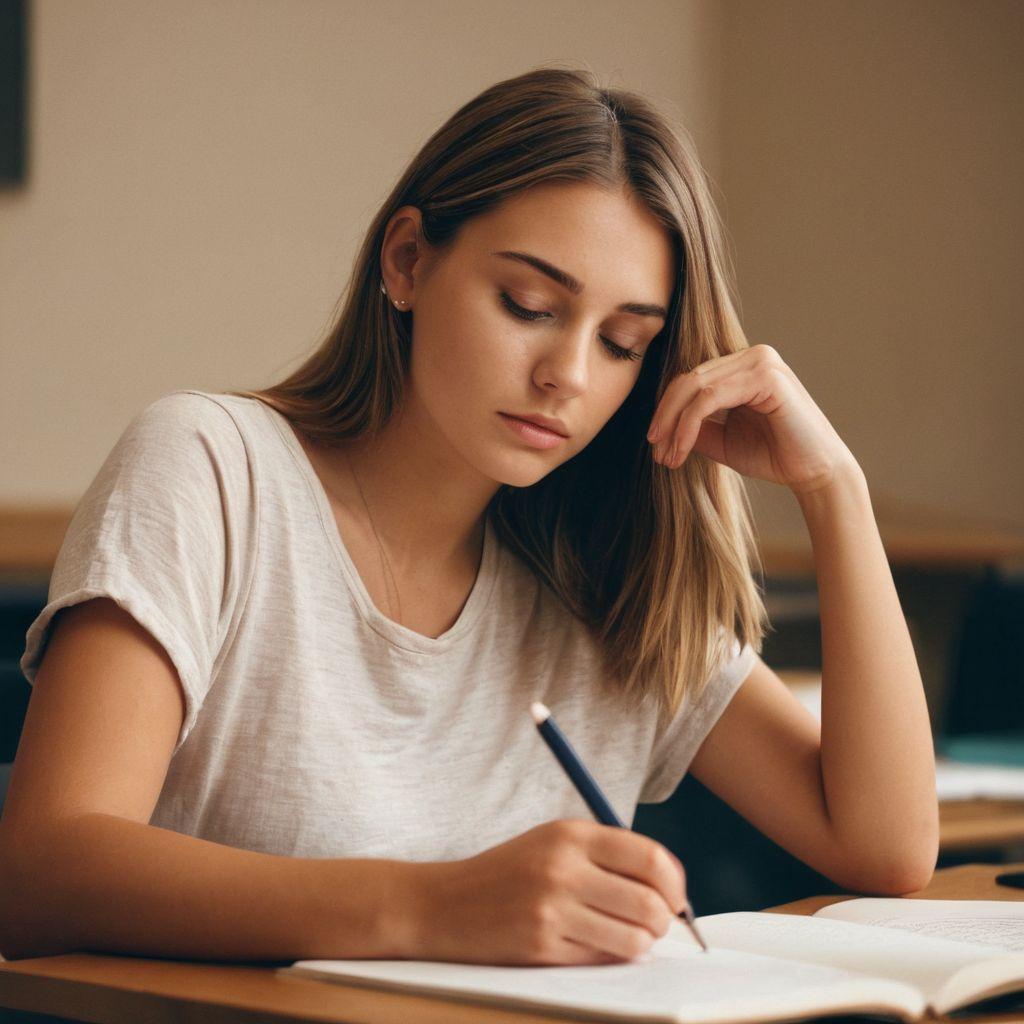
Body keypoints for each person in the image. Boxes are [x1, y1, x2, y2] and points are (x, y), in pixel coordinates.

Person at [0, 64, 938, 967]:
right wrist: (434, 905)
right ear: (407, 260)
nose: (568, 375)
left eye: (622, 344)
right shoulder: (212, 468)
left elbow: (885, 846)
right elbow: (41, 872)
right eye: (527, 304)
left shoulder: (600, 570)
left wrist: (834, 490)